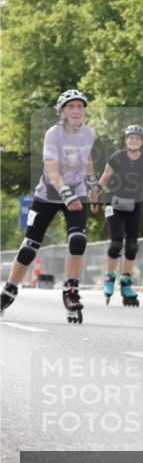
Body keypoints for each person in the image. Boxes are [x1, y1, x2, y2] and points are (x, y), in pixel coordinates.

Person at [0, 89, 98, 324]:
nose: (76, 111)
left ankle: (71, 291)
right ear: (62, 112)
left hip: (77, 192)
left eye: (80, 107)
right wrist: (67, 195)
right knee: (29, 247)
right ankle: (9, 291)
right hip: (48, 194)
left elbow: (88, 161)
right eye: (71, 107)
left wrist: (93, 186)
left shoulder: (89, 133)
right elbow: (52, 171)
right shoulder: (53, 134)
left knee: (77, 240)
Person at [94, 125, 143, 307]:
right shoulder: (117, 158)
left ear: (142, 142)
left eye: (137, 138)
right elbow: (104, 177)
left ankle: (126, 283)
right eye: (131, 138)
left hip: (134, 205)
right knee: (116, 243)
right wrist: (96, 193)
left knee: (132, 245)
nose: (134, 141)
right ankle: (109, 277)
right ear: (126, 140)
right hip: (114, 202)